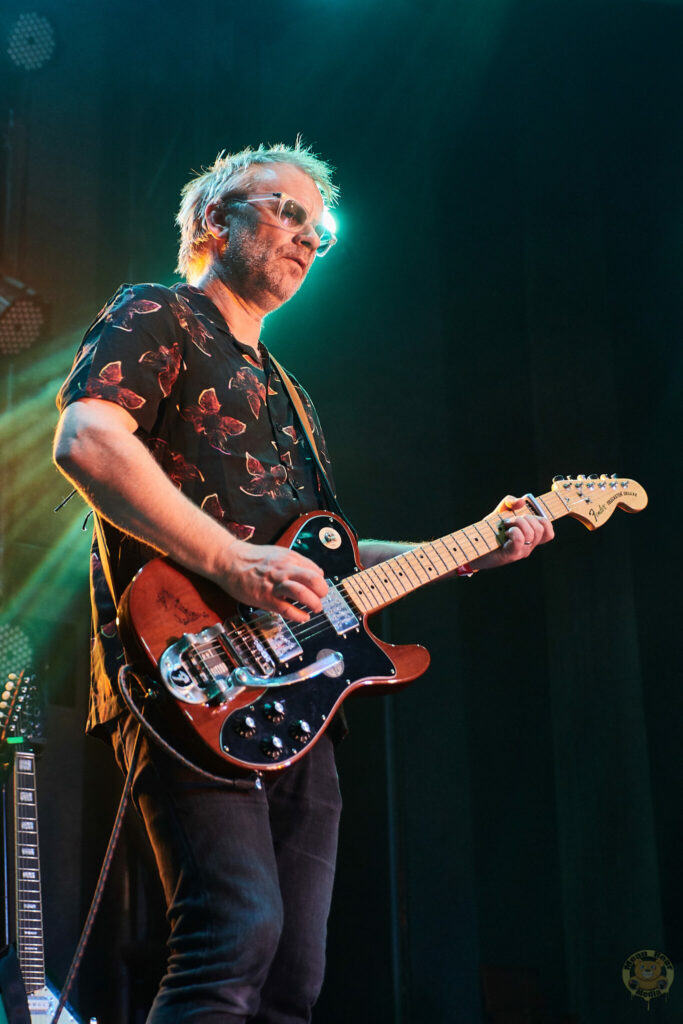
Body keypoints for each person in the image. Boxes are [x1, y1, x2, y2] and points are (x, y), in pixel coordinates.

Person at [53, 141, 554, 1023]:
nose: (303, 236)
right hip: (187, 665)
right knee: (232, 936)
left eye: (316, 231)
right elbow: (89, 441)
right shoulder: (155, 314)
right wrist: (230, 560)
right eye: (283, 210)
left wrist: (471, 546)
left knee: (294, 975)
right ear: (215, 220)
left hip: (299, 693)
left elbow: (322, 566)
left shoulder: (292, 394)